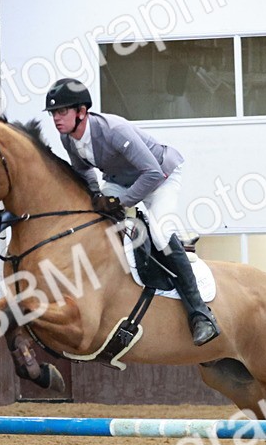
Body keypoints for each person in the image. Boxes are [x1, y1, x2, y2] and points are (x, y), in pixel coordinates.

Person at [44, 78, 220, 346]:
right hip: (124, 180)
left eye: (62, 112)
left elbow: (152, 173)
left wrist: (122, 201)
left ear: (81, 112)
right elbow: (83, 171)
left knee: (160, 235)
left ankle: (201, 315)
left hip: (162, 175)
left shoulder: (114, 130)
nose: (57, 119)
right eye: (54, 113)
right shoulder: (68, 139)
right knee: (94, 220)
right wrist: (97, 198)